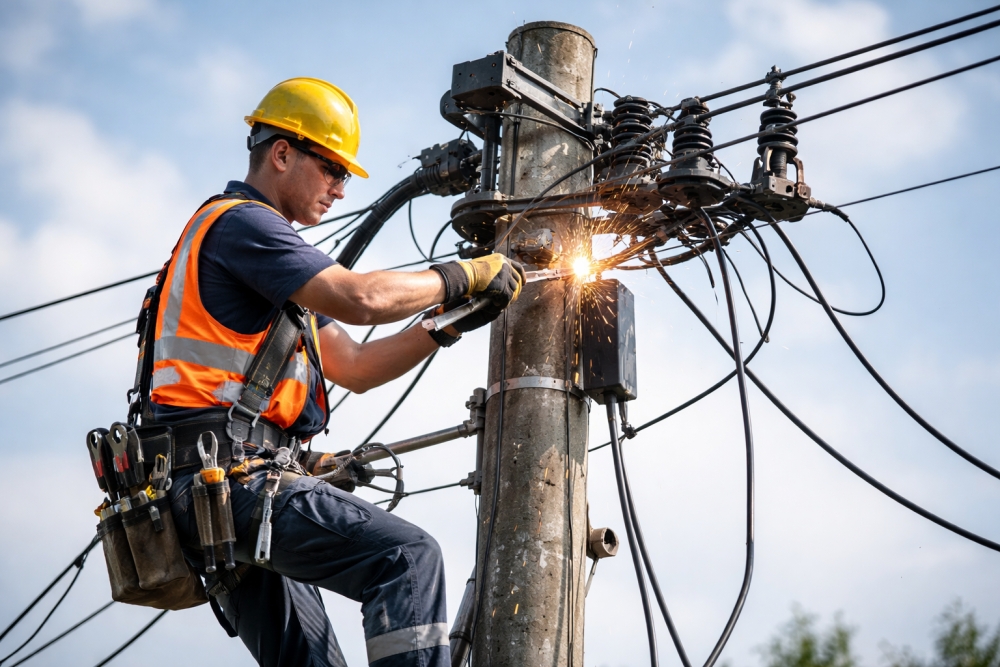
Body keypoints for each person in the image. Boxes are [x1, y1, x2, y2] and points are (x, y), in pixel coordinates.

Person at [147, 77, 523, 666]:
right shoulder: (243, 225)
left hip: (213, 495)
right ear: (281, 153)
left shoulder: (269, 271)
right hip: (227, 483)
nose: (341, 191)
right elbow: (361, 298)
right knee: (407, 559)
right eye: (333, 170)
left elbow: (356, 366)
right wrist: (463, 276)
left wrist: (445, 325)